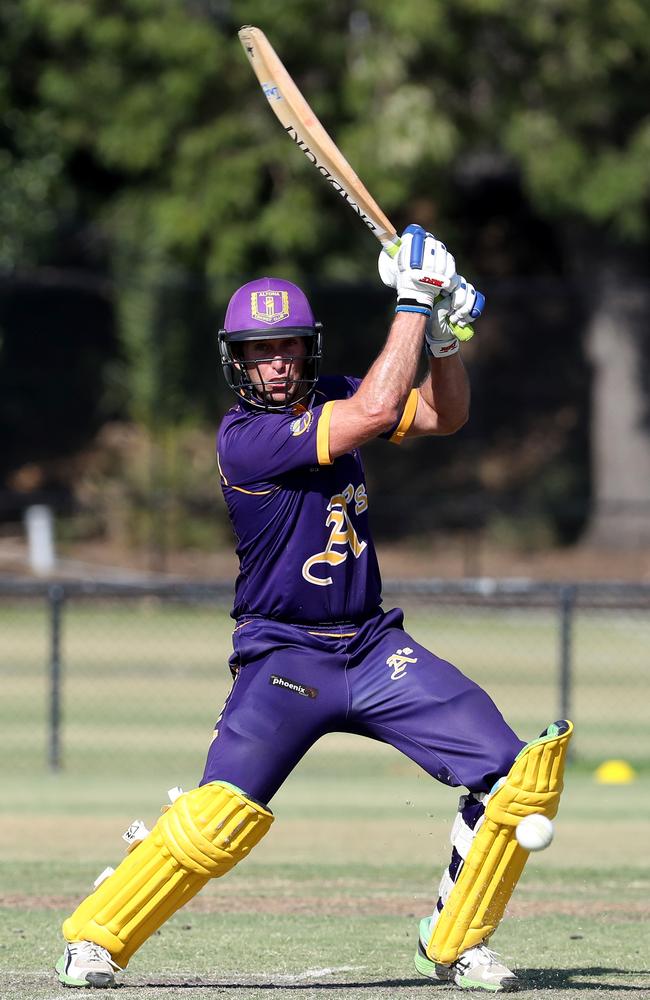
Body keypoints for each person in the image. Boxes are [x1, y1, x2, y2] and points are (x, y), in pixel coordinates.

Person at [55, 225, 572, 992]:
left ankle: (455, 940)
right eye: (262, 351)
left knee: (515, 778)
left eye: (290, 347)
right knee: (218, 820)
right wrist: (414, 299)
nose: (277, 363)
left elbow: (441, 417)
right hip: (283, 657)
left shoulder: (334, 395)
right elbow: (373, 412)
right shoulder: (246, 439)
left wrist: (444, 338)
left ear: (309, 350)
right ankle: (95, 935)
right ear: (237, 361)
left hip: (371, 648)